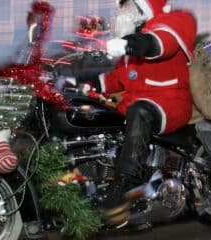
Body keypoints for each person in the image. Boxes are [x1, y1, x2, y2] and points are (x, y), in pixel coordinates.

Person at [79, 0, 197, 224]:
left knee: (140, 111)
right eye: (122, 5)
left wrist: (130, 43)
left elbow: (161, 43)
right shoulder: (130, 46)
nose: (123, 10)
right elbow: (113, 79)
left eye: (129, 4)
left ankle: (127, 180)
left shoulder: (177, 20)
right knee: (101, 117)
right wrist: (76, 79)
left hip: (170, 102)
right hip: (134, 103)